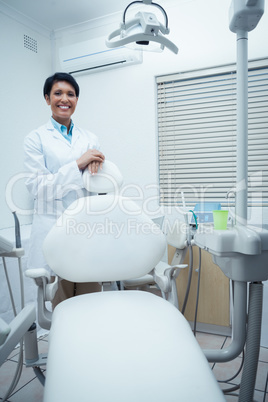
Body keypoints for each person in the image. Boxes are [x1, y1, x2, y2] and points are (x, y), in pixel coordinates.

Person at [24, 72, 105, 308]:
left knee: (90, 301)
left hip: (84, 228)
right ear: (47, 98)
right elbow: (39, 188)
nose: (65, 99)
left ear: (77, 100)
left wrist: (96, 163)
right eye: (58, 93)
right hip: (53, 229)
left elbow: (96, 181)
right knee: (60, 305)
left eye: (71, 94)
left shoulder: (90, 139)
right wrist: (78, 164)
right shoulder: (35, 139)